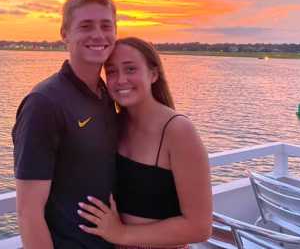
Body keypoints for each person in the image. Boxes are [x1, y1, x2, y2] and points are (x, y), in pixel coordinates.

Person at [77, 37, 212, 249]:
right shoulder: (114, 125)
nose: (121, 79)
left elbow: (199, 227)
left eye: (130, 69)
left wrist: (121, 234)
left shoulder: (178, 131)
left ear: (153, 74)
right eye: (111, 71)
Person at [12, 0, 119, 248]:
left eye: (106, 26)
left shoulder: (106, 94)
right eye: (85, 26)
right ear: (65, 34)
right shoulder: (44, 103)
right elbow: (28, 212)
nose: (98, 35)